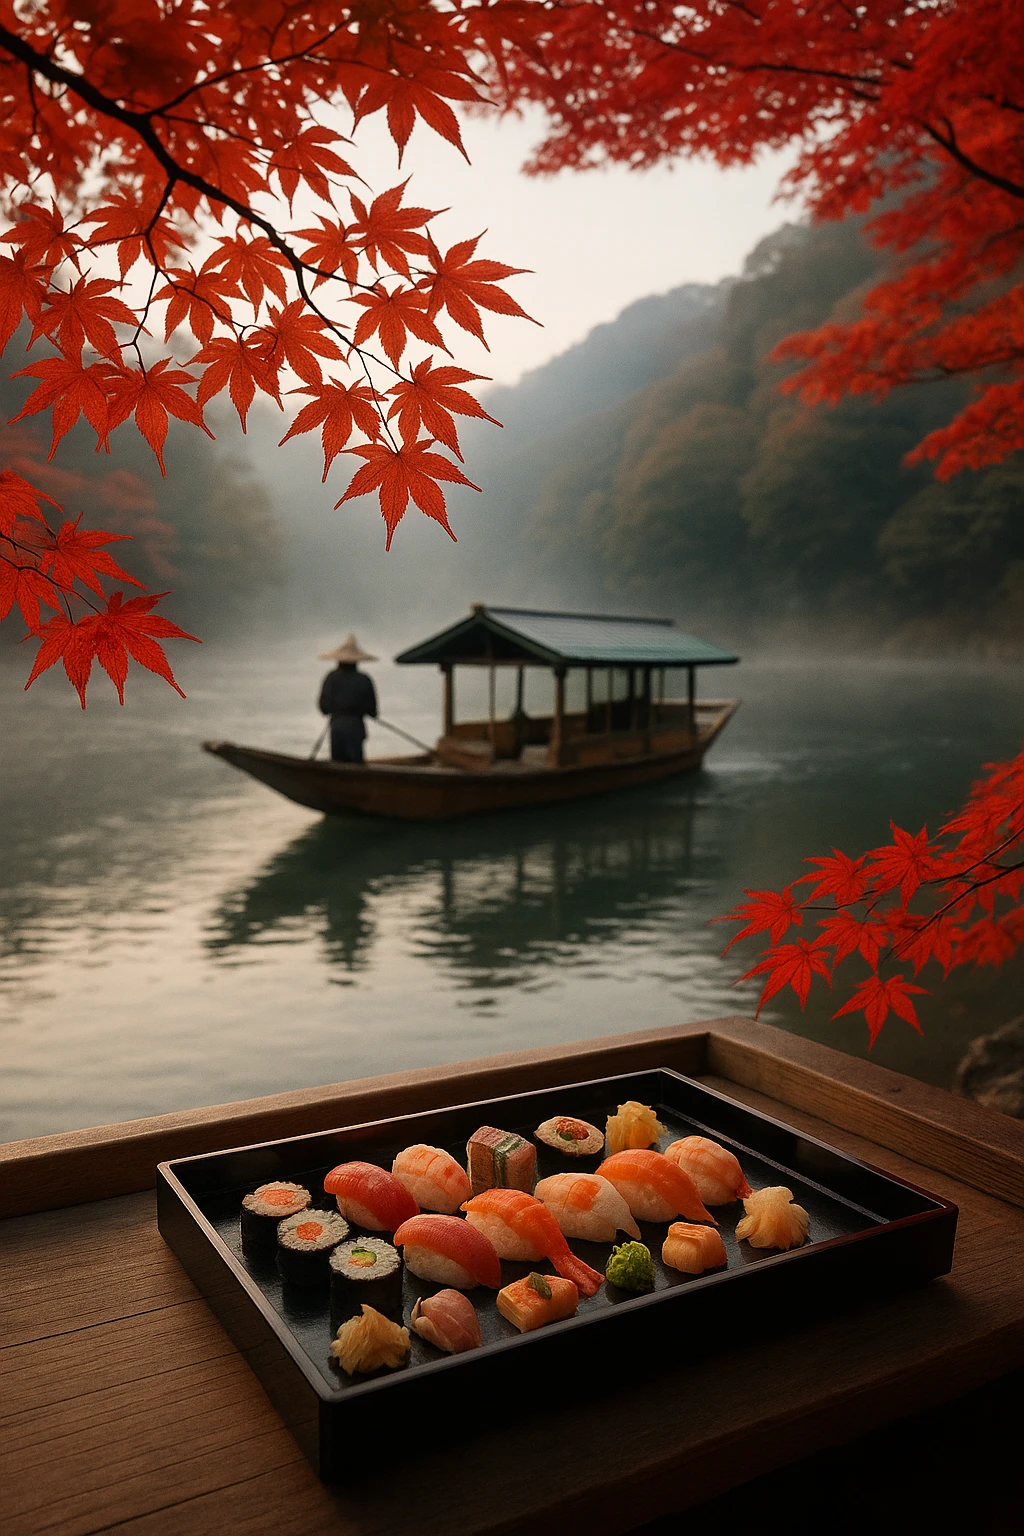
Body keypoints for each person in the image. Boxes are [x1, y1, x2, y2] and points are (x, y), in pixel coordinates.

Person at [317, 635, 378, 763]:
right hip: (356, 727)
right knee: (356, 763)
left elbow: (324, 707)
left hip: (337, 726)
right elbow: (373, 711)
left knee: (337, 763)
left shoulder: (331, 678)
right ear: (356, 661)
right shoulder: (364, 679)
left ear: (338, 660)